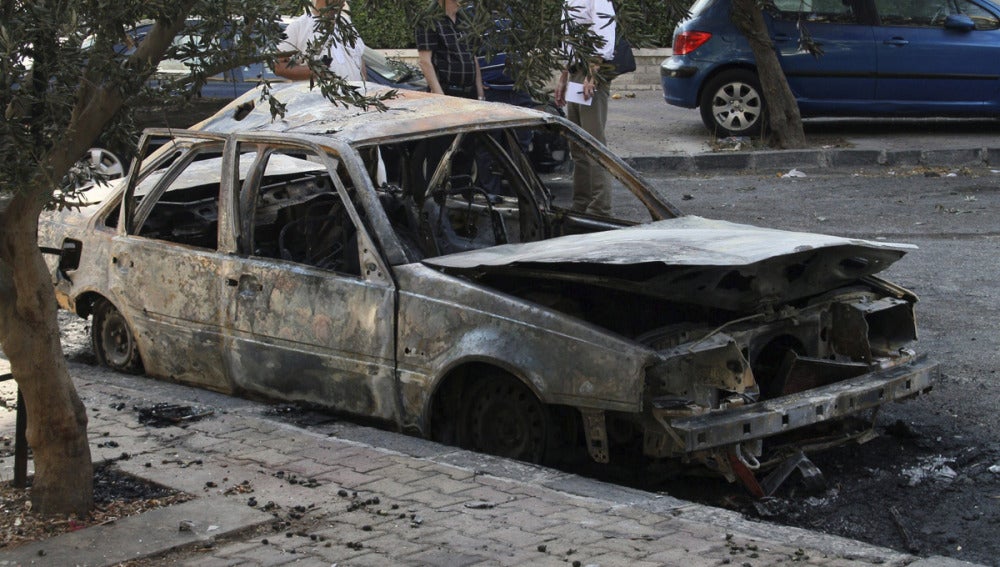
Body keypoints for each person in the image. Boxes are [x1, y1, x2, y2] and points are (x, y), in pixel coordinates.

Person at [554, 0, 616, 217]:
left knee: (593, 143)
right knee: (578, 146)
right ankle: (581, 203)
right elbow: (568, 40)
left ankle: (600, 207)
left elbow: (605, 31)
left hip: (591, 71)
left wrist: (593, 76)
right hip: (576, 72)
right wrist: (564, 76)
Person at [275, 0, 366, 82]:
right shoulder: (298, 26)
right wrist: (315, 71)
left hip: (353, 98)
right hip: (320, 99)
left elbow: (360, 58)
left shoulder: (345, 24)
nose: (344, 1)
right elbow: (277, 66)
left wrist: (364, 90)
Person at [415, 0, 485, 100]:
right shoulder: (428, 20)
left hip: (471, 93)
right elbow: (425, 62)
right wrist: (440, 96)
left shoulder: (465, 19)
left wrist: (480, 93)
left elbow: (473, 56)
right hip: (447, 92)